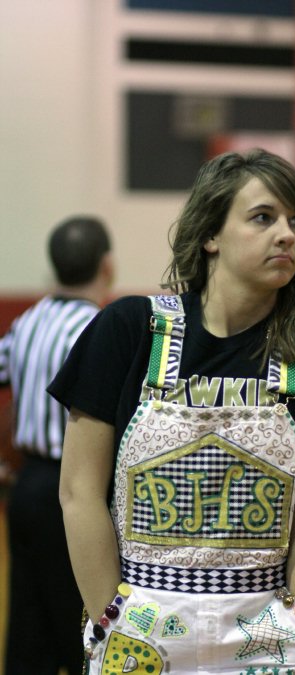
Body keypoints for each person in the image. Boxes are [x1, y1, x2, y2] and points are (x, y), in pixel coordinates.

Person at [48, 149, 295, 675]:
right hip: (142, 626)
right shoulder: (129, 330)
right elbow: (78, 492)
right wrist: (107, 615)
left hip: (267, 627)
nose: (288, 235)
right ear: (211, 235)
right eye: (263, 217)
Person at [0, 216, 114, 675]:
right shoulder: (101, 328)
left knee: (27, 622)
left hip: (26, 487)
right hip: (75, 494)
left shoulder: (28, 321)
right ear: (108, 265)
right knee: (81, 618)